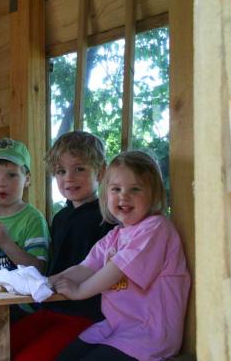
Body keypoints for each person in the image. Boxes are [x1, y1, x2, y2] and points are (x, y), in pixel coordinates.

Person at [51, 150, 190, 361]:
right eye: (116, 189)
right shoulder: (114, 236)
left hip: (149, 334)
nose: (124, 196)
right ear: (106, 194)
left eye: (135, 189)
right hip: (117, 326)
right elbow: (85, 268)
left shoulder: (156, 228)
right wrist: (44, 283)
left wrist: (79, 291)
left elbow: (118, 268)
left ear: (153, 194)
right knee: (64, 357)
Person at [10, 131, 114, 361]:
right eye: (61, 171)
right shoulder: (60, 217)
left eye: (79, 169)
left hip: (86, 313)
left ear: (102, 170)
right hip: (50, 307)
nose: (69, 178)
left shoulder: (108, 216)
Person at [0, 137, 50, 276]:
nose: (2, 183)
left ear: (27, 179)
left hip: (19, 297)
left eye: (12, 175)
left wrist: (6, 243)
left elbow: (40, 269)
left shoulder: (33, 219)